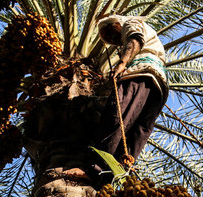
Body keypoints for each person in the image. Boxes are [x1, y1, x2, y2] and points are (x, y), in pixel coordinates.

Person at [63, 14, 168, 182]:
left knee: (116, 117)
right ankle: (116, 175)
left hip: (139, 75)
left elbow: (134, 40)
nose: (113, 39)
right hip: (159, 85)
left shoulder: (131, 22)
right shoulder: (150, 40)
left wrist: (123, 63)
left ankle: (95, 170)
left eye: (111, 32)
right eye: (109, 39)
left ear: (117, 23)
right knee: (138, 132)